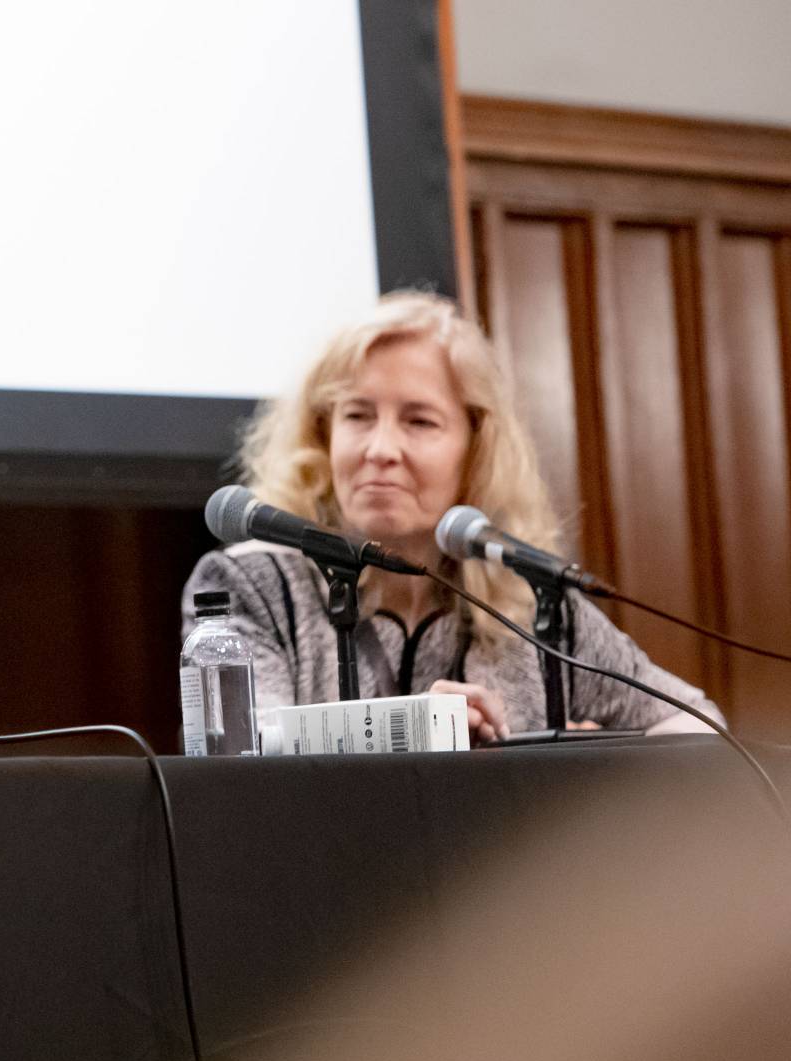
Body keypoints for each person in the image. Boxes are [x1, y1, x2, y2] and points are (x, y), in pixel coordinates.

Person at [183, 291, 719, 742]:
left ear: (476, 447)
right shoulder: (251, 583)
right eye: (357, 415)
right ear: (323, 436)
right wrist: (416, 727)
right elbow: (241, 750)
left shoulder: (532, 603)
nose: (381, 448)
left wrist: (599, 771)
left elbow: (701, 727)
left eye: (419, 421)